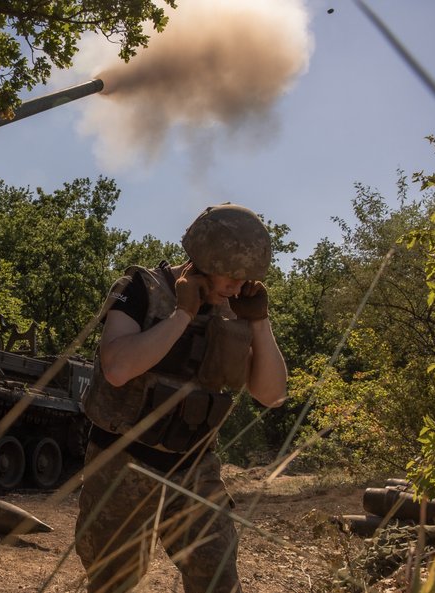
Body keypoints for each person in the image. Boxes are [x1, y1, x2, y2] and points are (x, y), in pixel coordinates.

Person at [75, 203, 288, 593]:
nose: (239, 287)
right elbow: (117, 368)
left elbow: (272, 395)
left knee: (217, 578)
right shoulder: (140, 289)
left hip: (194, 471)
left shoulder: (236, 309)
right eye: (234, 275)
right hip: (124, 464)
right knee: (113, 582)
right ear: (205, 257)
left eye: (248, 279)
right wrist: (182, 315)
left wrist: (259, 321)